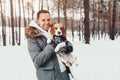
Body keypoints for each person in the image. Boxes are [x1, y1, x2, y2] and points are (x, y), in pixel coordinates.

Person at [25, 10, 73, 80]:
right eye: (43, 20)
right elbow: (37, 61)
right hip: (48, 76)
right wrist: (52, 45)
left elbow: (65, 39)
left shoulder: (54, 29)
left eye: (48, 19)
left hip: (64, 75)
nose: (47, 22)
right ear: (37, 21)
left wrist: (69, 47)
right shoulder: (33, 37)